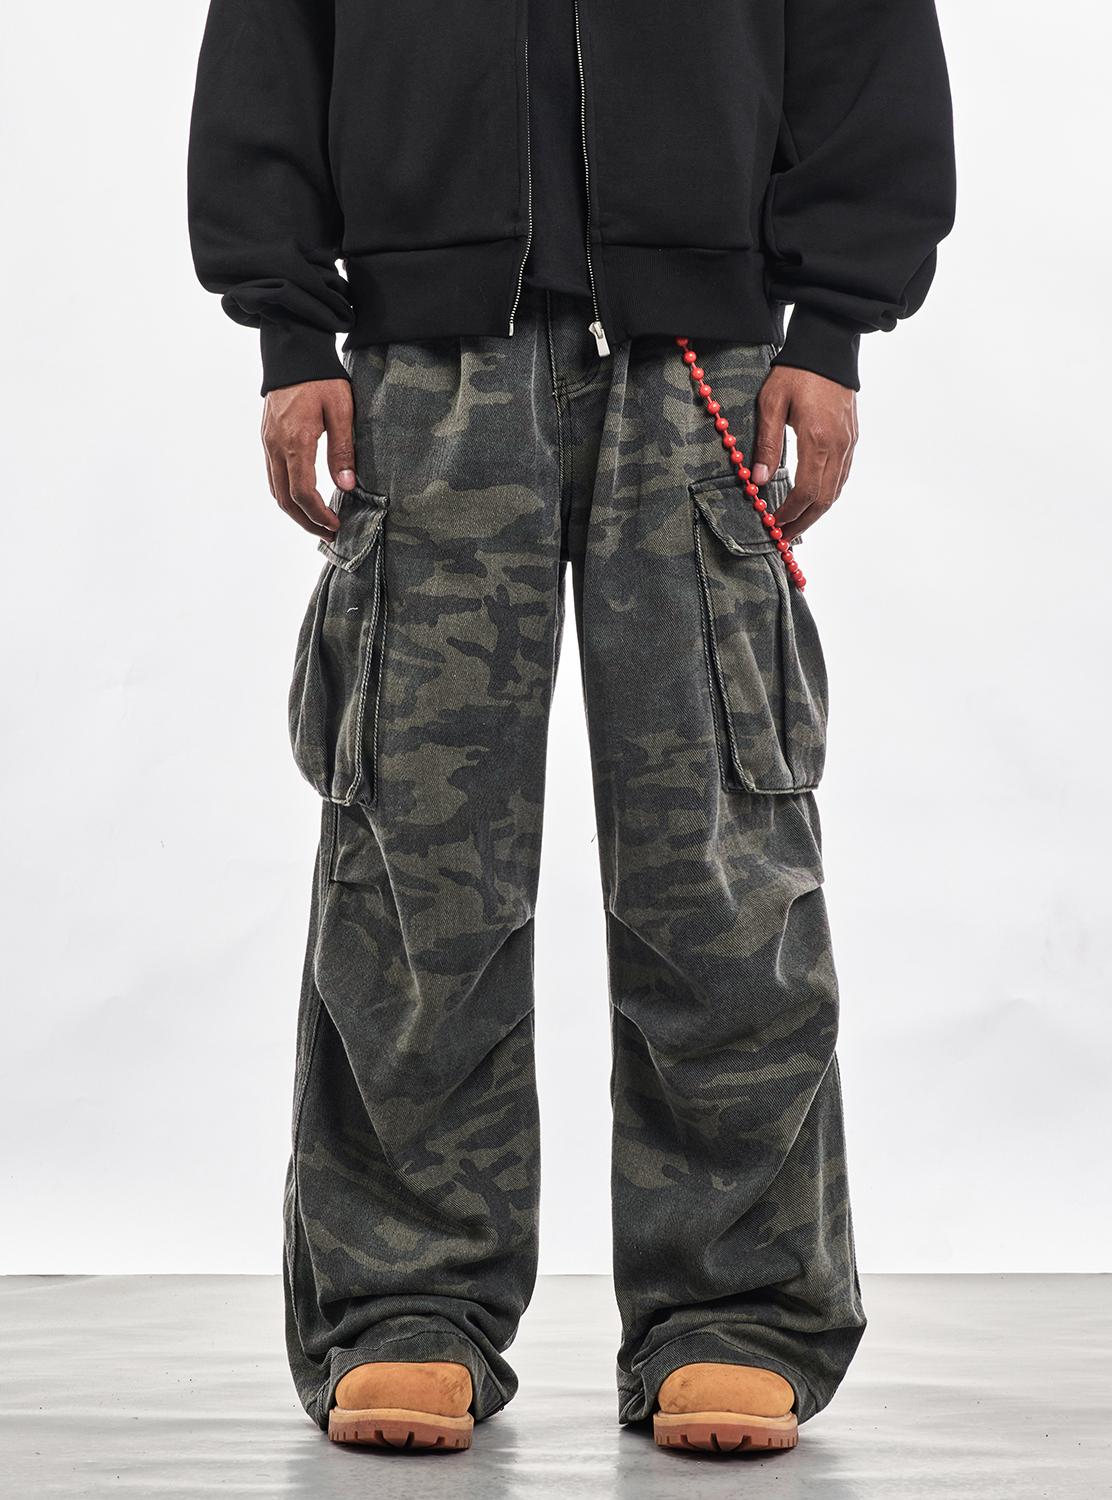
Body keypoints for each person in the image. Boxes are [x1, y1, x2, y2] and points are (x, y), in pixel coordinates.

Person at [188, 0, 954, 1457]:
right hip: (424, 366)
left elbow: (864, 38)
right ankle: (406, 1303)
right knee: (418, 861)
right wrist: (289, 326)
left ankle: (736, 1312)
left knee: (717, 859)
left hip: (708, 360)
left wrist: (837, 322)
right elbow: (271, 43)